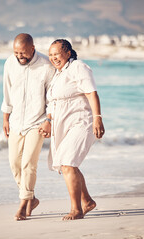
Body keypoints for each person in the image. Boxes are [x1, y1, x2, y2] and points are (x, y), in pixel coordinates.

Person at [40, 39, 105, 220]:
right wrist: (48, 121)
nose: (53, 58)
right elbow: (54, 102)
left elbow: (92, 93)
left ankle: (76, 209)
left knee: (68, 162)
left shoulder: (78, 67)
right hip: (62, 124)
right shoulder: (58, 74)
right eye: (51, 55)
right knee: (67, 164)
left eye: (57, 54)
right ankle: (88, 201)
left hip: (81, 122)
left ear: (68, 53)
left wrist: (98, 118)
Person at [1, 33, 55, 221]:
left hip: (38, 122)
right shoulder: (9, 63)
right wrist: (5, 118)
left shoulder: (47, 66)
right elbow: (7, 92)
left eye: (23, 52)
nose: (19, 56)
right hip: (16, 121)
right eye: (16, 52)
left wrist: (49, 120)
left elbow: (52, 98)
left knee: (28, 164)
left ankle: (24, 204)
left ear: (33, 48)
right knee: (14, 163)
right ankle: (31, 198)